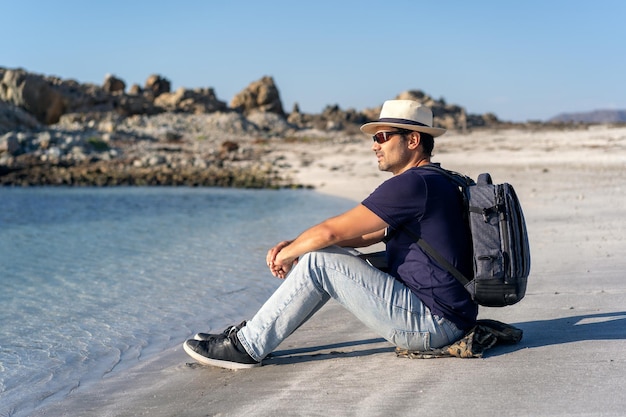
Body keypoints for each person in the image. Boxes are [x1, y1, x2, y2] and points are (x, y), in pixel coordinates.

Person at [183, 99, 478, 369]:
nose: (375, 145)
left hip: (433, 324)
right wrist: (300, 245)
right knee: (324, 255)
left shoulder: (413, 184)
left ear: (413, 140)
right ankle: (253, 335)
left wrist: (288, 254)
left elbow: (331, 230)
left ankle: (247, 346)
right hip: (449, 317)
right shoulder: (439, 180)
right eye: (374, 138)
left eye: (382, 137)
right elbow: (366, 235)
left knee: (318, 262)